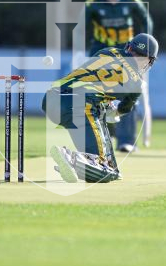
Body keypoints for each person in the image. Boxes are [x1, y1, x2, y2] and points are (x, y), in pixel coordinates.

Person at [43, 33, 159, 183]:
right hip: (80, 106)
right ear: (148, 61)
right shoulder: (137, 84)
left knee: (97, 161)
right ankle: (69, 156)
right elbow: (123, 109)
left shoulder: (108, 51)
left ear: (129, 47)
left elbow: (95, 79)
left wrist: (103, 103)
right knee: (105, 168)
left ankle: (74, 163)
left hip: (51, 99)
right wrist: (113, 110)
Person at [82, 0, 154, 152]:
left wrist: (144, 49)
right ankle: (108, 133)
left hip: (128, 54)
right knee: (99, 97)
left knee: (129, 94)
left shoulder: (131, 0)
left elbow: (146, 21)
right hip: (101, 54)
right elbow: (80, 26)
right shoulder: (93, 1)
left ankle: (126, 141)